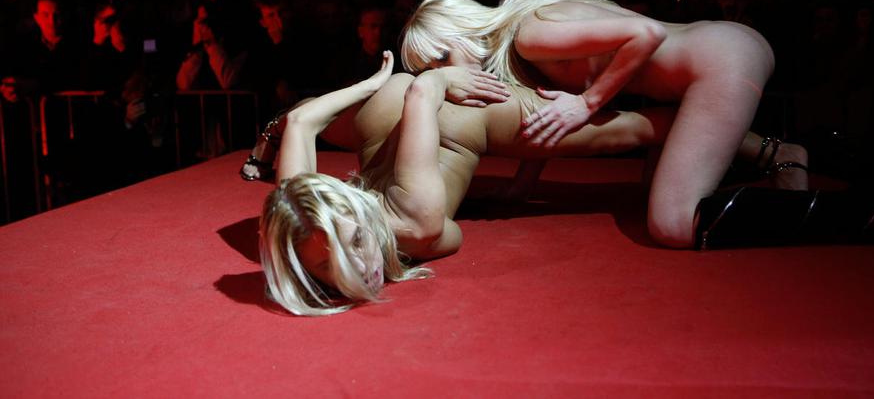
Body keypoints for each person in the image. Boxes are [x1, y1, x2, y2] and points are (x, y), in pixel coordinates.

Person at [256, 52, 676, 315]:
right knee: (303, 112)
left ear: (350, 205)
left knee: (638, 130)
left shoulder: (414, 224)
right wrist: (371, 86)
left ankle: (709, 101)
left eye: (357, 240)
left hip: (459, 116)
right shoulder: (305, 221)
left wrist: (440, 78)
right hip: (393, 114)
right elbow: (301, 120)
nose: (360, 266)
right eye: (326, 267)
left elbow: (423, 92)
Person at [401, 0, 810, 249]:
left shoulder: (528, 34)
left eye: (442, 57)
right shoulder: (522, 37)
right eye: (432, 70)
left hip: (723, 61)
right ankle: (781, 156)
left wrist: (588, 103)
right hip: (717, 56)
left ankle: (835, 215)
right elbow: (548, 116)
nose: (445, 74)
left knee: (672, 223)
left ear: (462, 30)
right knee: (653, 191)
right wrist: (522, 186)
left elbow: (647, 34)